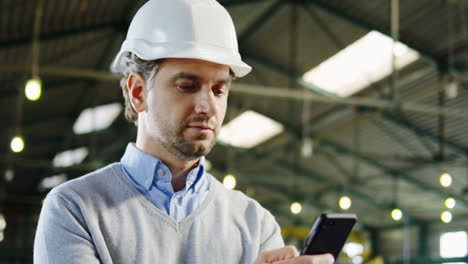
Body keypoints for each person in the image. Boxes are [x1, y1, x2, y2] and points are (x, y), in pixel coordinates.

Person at [33, 0, 334, 263]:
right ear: (138, 92)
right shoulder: (75, 209)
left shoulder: (255, 224)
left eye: (219, 90)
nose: (208, 106)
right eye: (187, 86)